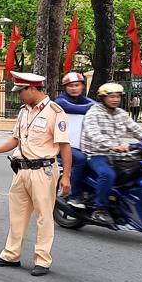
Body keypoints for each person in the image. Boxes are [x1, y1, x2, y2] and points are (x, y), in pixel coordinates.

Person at [0, 72, 72, 276]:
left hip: (43, 171)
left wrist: (66, 176)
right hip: (21, 170)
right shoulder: (24, 111)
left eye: (21, 91)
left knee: (44, 217)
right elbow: (16, 140)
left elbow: (64, 146)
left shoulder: (55, 112)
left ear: (32, 89)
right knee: (16, 216)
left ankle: (42, 260)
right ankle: (11, 255)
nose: (18, 95)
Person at [80, 82, 142, 227]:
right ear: (103, 98)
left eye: (118, 96)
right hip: (96, 153)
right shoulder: (93, 113)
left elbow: (137, 130)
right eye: (111, 96)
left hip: (117, 155)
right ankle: (99, 209)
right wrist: (113, 146)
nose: (115, 99)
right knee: (108, 175)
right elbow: (94, 134)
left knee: (139, 171)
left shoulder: (121, 114)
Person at [55, 72, 95, 206]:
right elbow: (76, 108)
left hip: (80, 144)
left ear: (82, 86)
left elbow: (92, 105)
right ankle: (74, 196)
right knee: (80, 159)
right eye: (70, 86)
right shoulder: (60, 101)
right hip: (61, 145)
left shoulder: (83, 100)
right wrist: (97, 107)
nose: (74, 88)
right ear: (65, 87)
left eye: (77, 85)